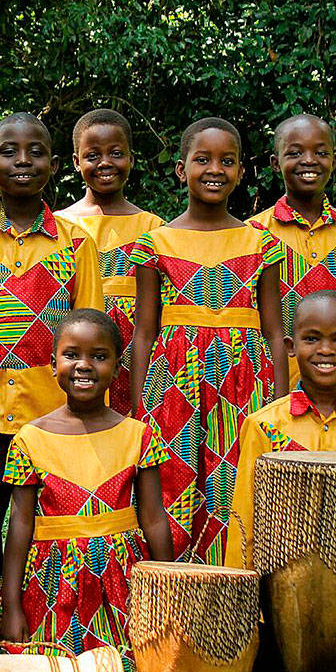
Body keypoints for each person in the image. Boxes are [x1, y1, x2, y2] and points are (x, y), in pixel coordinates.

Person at [0, 112, 104, 587]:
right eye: (8, 152)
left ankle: (37, 616)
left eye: (35, 151)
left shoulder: (76, 244)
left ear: (54, 164)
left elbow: (90, 334)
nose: (23, 161)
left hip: (53, 413)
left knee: (47, 528)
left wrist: (87, 412)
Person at [129, 117, 286, 563]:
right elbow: (144, 332)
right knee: (174, 485)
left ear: (240, 172)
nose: (214, 170)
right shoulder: (153, 243)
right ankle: (177, 599)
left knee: (241, 486)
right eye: (203, 159)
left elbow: (275, 330)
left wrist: (280, 399)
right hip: (173, 385)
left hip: (245, 383)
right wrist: (142, 406)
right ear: (181, 170)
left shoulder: (261, 242)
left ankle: (237, 601)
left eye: (227, 161)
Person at [0, 309, 172, 672]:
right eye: (72, 354)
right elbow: (20, 525)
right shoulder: (30, 438)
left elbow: (154, 518)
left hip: (122, 580)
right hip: (51, 581)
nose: (84, 365)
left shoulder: (138, 435)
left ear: (116, 365)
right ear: (52, 363)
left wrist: (169, 589)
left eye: (99, 356)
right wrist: (11, 604)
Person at [225, 290, 336, 569]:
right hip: (281, 578)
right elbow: (244, 519)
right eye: (312, 338)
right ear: (291, 347)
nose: (326, 350)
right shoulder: (265, 426)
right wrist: (239, 592)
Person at [56, 109, 164, 415]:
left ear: (131, 158)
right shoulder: (60, 226)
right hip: (76, 354)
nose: (105, 163)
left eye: (116, 153)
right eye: (93, 155)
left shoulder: (154, 229)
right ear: (76, 162)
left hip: (136, 353)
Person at [248, 114, 336, 384]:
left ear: (334, 162)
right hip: (274, 388)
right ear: (275, 164)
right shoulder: (253, 234)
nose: (309, 160)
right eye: (295, 152)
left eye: (321, 152)